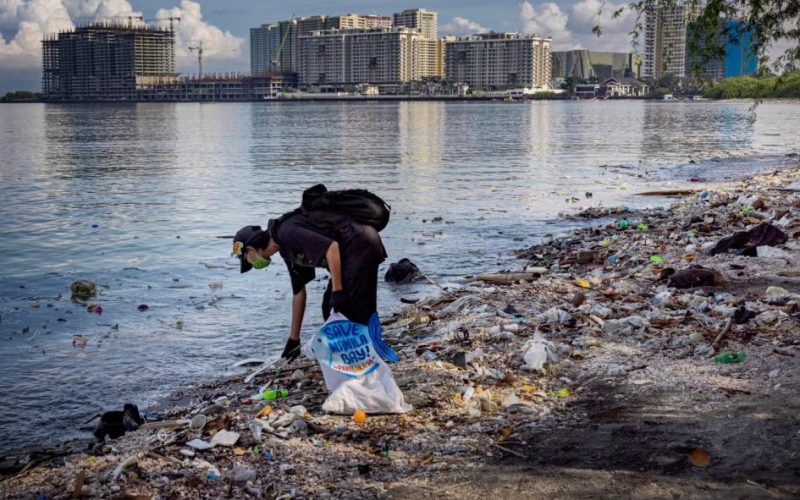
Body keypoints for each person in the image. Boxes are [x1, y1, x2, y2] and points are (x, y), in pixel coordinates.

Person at [232, 208, 387, 363]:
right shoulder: (285, 249)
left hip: (361, 244)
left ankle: (366, 359)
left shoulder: (286, 233)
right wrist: (294, 339)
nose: (251, 264)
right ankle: (366, 354)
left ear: (251, 249)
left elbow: (331, 247)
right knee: (332, 308)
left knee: (343, 309)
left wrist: (338, 290)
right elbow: (298, 292)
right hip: (353, 251)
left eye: (247, 259)